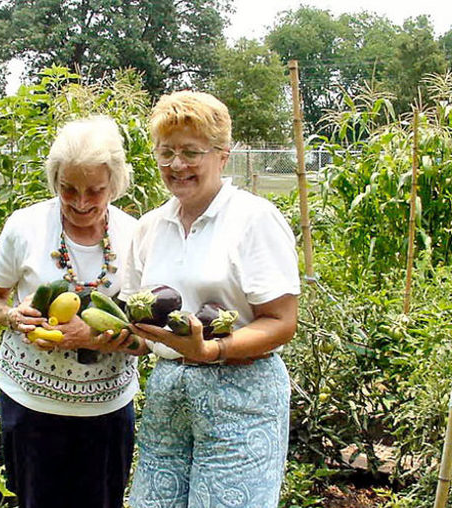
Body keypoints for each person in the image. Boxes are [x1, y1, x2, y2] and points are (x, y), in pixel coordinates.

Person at [121, 91, 301, 507]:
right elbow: (142, 328)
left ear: (222, 155)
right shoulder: (150, 227)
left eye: (191, 152)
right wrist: (101, 336)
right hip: (169, 398)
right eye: (166, 152)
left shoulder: (253, 220)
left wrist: (212, 349)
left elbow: (281, 321)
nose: (177, 165)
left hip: (242, 395)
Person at [0, 115, 138, 508]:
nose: (81, 202)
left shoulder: (136, 235)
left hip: (107, 407)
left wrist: (98, 338)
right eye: (68, 189)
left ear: (114, 184)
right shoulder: (25, 226)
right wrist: (13, 316)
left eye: (95, 190)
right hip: (32, 405)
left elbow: (147, 335)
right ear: (55, 181)